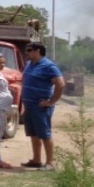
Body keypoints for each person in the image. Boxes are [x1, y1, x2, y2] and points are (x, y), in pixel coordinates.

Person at [20, 42, 64, 171]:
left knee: (44, 134)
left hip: (40, 107)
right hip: (29, 106)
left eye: (29, 50)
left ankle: (50, 163)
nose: (26, 52)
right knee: (33, 134)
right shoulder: (29, 64)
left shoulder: (49, 66)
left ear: (37, 51)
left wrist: (51, 102)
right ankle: (36, 160)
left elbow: (60, 84)